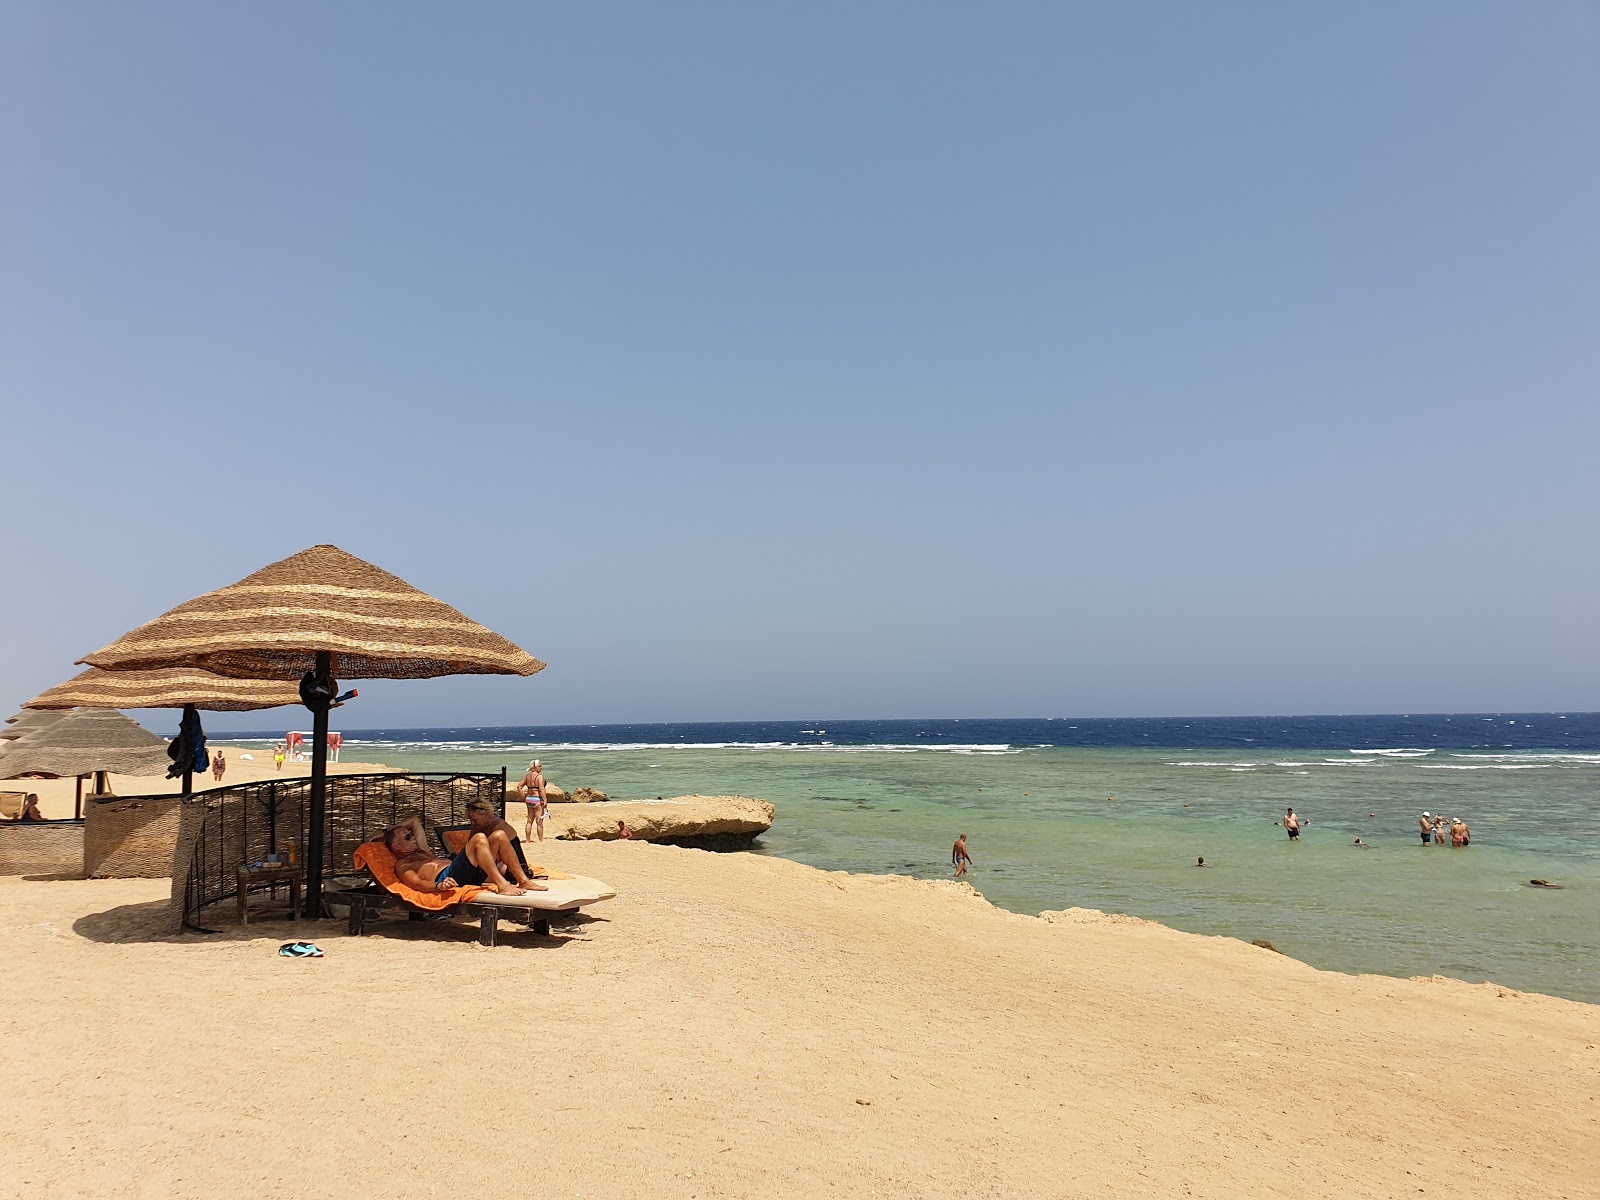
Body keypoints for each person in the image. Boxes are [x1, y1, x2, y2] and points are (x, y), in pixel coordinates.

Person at [383, 815, 545, 896]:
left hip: (462, 870)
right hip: (449, 877)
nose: (412, 837)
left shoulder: (422, 851)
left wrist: (385, 832)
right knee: (479, 839)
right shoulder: (403, 865)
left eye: (410, 835)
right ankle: (502, 885)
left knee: (499, 835)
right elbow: (417, 884)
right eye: (407, 837)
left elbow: (414, 821)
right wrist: (438, 886)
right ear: (396, 846)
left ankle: (524, 882)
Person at [519, 759, 547, 843]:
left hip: (529, 799)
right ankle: (541, 840)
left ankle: (527, 840)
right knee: (539, 821)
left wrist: (524, 797)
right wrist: (545, 800)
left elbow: (519, 787)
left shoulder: (527, 776)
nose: (541, 768)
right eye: (539, 766)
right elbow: (541, 789)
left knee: (529, 820)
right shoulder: (539, 777)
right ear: (534, 767)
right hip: (537, 799)